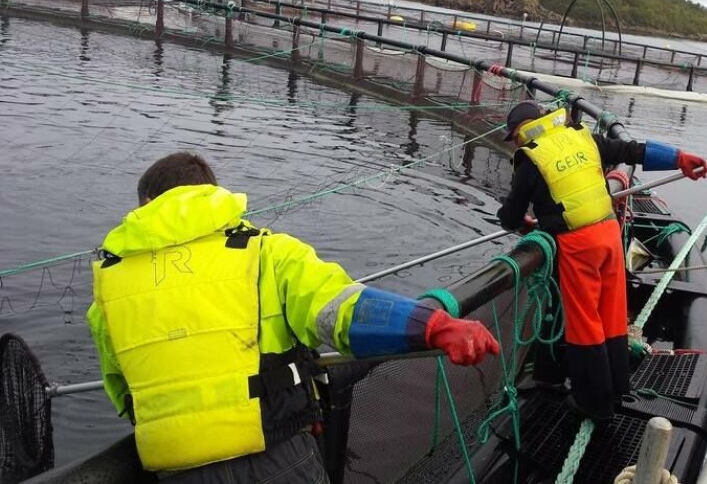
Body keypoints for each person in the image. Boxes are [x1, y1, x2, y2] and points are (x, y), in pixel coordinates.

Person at [87, 152, 501, 483]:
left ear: (146, 205)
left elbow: (122, 390)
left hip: (177, 465)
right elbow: (343, 312)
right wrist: (436, 326)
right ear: (212, 195)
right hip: (276, 453)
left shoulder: (109, 284)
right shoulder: (265, 252)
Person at [496, 100, 707, 420]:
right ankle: (617, 387)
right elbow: (629, 151)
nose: (515, 142)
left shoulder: (531, 157)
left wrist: (521, 225)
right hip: (609, 233)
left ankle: (594, 403)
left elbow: (511, 214)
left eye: (513, 136)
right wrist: (679, 158)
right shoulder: (582, 136)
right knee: (611, 313)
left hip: (577, 245)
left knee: (585, 323)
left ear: (521, 132)